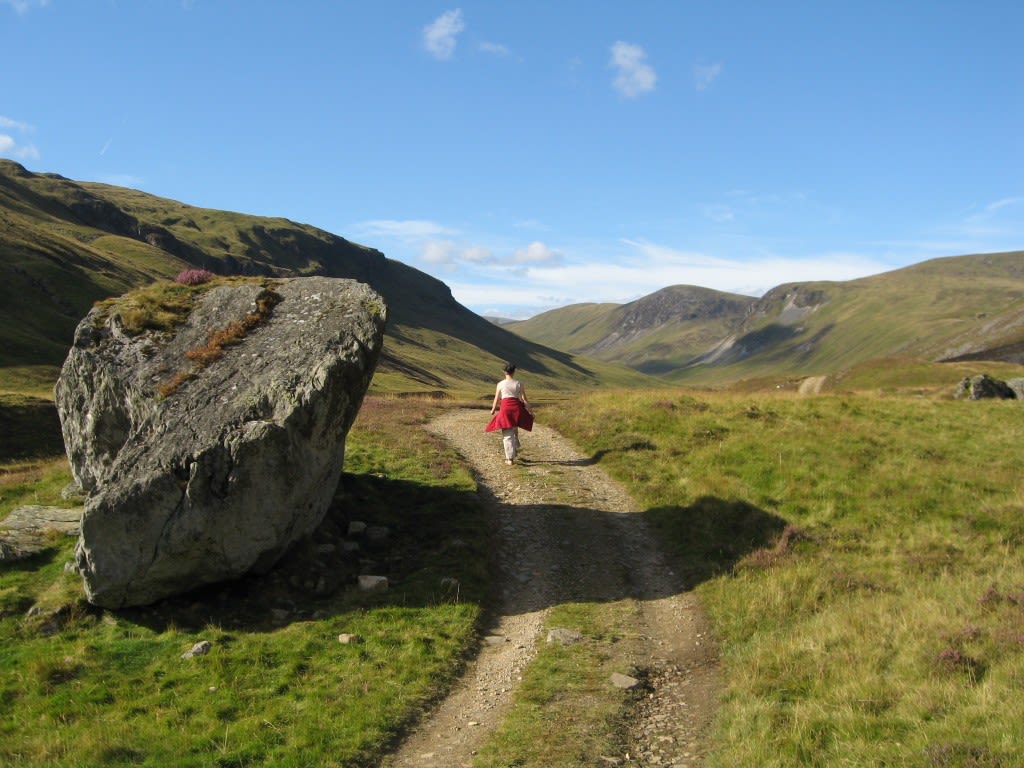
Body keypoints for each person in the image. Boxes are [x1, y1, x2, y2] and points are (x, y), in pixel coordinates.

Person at [485, 362, 534, 465]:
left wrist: (493, 409)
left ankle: (509, 458)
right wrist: (531, 412)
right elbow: (524, 400)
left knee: (507, 433)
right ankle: (514, 450)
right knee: (514, 430)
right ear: (514, 372)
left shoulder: (500, 384)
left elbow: (496, 398)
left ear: (504, 372)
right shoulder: (519, 384)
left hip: (505, 408)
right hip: (517, 409)